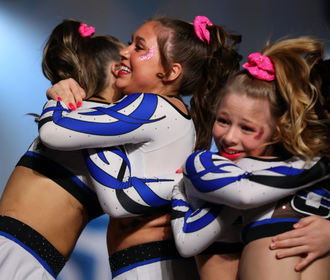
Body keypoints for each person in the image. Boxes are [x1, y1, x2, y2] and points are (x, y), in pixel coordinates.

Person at [41, 15, 242, 280]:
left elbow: (53, 131)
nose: (123, 53)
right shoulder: (175, 112)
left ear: (171, 72)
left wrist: (58, 96)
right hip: (151, 264)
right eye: (129, 43)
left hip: (151, 266)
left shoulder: (152, 106)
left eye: (139, 47)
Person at [172, 37, 330, 280]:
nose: (229, 137)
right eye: (223, 120)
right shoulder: (203, 164)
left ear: (279, 130)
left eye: (246, 128)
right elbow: (246, 193)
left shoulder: (303, 165)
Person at [0, 19, 124, 279]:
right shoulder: (81, 116)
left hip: (35, 261)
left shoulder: (102, 125)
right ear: (117, 70)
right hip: (15, 252)